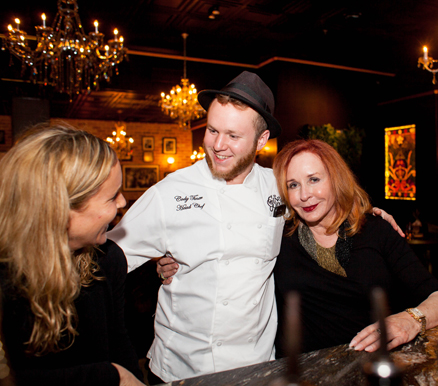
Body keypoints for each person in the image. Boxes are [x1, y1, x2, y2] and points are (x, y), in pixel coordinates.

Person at [112, 71, 402, 382]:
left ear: (261, 140)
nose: (218, 145)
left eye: (233, 136)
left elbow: (320, 205)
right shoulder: (169, 191)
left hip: (257, 366)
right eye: (212, 130)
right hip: (180, 367)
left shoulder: (278, 187)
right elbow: (106, 260)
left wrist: (363, 212)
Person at [271, 139, 438, 356]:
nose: (304, 195)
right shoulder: (277, 235)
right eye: (293, 184)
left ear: (335, 179)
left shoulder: (375, 231)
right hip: (305, 371)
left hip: (372, 367)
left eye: (314, 179)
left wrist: (409, 320)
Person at [0, 124, 144, 386]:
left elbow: (120, 342)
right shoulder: (7, 277)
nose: (122, 203)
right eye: (112, 197)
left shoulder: (108, 258)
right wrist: (111, 375)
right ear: (61, 210)